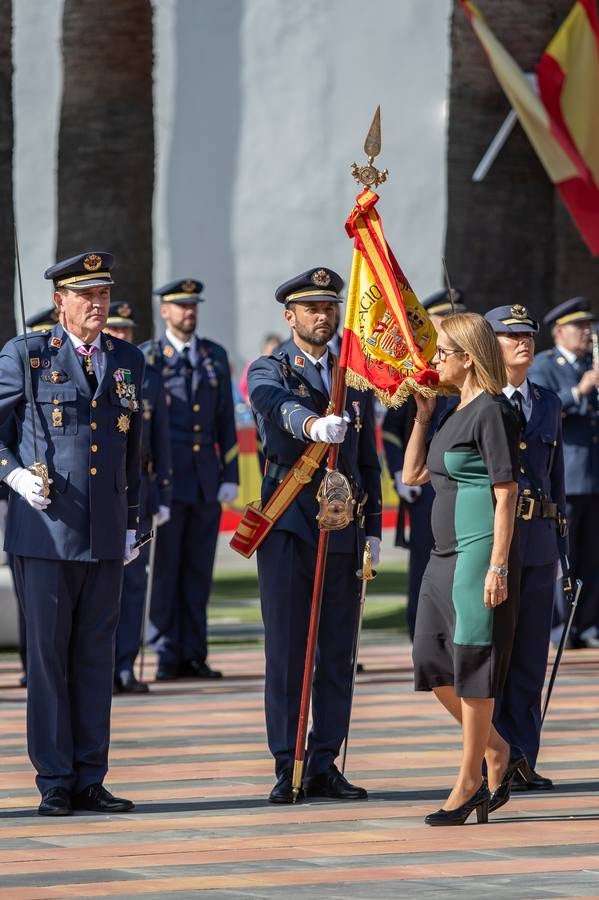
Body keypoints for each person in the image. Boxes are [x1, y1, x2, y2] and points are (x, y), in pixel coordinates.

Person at [0, 251, 144, 816]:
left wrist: (133, 519)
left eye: (104, 294)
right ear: (60, 301)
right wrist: (12, 475)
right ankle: (55, 778)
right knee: (48, 660)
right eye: (86, 296)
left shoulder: (128, 358)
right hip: (47, 531)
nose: (98, 305)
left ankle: (90, 776)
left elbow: (135, 449)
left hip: (106, 532)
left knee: (93, 657)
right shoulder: (27, 355)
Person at [247, 266, 382, 804]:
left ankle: (325, 760)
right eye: (311, 309)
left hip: (343, 527)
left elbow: (367, 460)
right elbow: (268, 402)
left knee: (335, 651)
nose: (322, 317)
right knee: (286, 652)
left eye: (329, 307)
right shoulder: (271, 366)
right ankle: (289, 762)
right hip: (289, 525)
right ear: (290, 316)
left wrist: (370, 530)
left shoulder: (355, 374)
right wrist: (310, 424)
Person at [403, 312, 521, 826]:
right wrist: (424, 416)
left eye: (442, 352)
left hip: (477, 553)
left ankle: (469, 780)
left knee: (473, 662)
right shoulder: (453, 412)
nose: (433, 361)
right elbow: (411, 474)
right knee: (431, 662)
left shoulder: (491, 410)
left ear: (467, 358)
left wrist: (498, 567)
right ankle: (498, 750)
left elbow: (506, 492)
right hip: (441, 553)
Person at [485, 304, 566, 792]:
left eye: (528, 335)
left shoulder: (548, 402)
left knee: (532, 657)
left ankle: (524, 757)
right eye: (510, 335)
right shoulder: (477, 400)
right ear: (490, 344)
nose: (523, 342)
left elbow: (555, 485)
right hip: (496, 544)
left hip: (538, 545)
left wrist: (566, 554)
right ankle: (491, 757)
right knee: (495, 655)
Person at [144, 278, 239, 681]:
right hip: (168, 478)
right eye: (180, 306)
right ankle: (165, 651)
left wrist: (230, 472)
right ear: (164, 311)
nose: (189, 312)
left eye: (193, 305)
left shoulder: (213, 355)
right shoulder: (150, 357)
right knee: (165, 571)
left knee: (198, 571)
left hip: (204, 480)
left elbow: (226, 421)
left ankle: (194, 652)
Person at [383, 288, 465, 640]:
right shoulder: (415, 369)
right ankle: (421, 627)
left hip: (463, 479)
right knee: (426, 558)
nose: (448, 324)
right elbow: (390, 431)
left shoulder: (465, 365)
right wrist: (400, 474)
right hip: (426, 480)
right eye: (442, 317)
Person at [104, 302, 173, 693]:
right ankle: (101, 666)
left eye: (129, 331)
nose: (124, 336)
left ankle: (126, 663)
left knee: (133, 582)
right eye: (117, 329)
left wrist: (162, 492)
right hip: (102, 490)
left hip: (138, 493)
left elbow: (158, 440)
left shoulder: (144, 377)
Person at [529, 297, 599, 649]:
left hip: (595, 477)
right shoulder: (544, 366)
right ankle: (560, 628)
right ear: (559, 331)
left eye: (589, 325)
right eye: (579, 326)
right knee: (563, 556)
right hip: (568, 476)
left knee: (592, 555)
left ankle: (588, 624)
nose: (587, 332)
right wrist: (578, 391)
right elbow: (542, 413)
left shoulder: (592, 363)